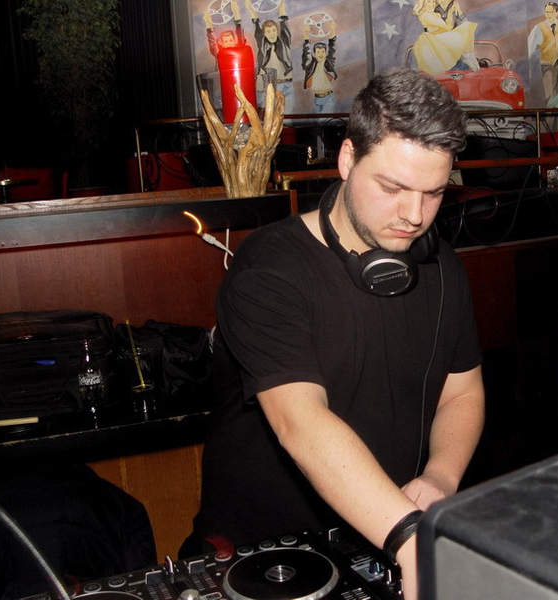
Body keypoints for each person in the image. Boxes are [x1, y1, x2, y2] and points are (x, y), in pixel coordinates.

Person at [181, 67, 485, 600]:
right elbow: (301, 421)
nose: (414, 216)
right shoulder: (268, 269)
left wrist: (440, 477)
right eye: (393, 188)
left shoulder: (441, 267)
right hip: (261, 559)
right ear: (347, 159)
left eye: (434, 193)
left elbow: (462, 393)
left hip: (385, 536)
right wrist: (410, 538)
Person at [249, 0, 295, 114]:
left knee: (288, 118)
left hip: (287, 85)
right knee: (271, 117)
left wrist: (281, 4)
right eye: (268, 31)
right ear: (264, 34)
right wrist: (250, 9)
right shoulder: (262, 45)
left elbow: (283, 22)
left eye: (274, 30)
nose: (272, 33)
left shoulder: (284, 42)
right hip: (272, 86)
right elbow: (256, 25)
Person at [411, 0, 478, 75]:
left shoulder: (453, 7)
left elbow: (463, 22)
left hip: (450, 47)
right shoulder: (425, 7)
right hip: (432, 46)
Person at [527, 2, 558, 104]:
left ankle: (557, 111)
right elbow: (531, 46)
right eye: (546, 12)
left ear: (557, 13)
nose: (548, 14)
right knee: (549, 92)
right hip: (546, 63)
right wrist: (530, 65)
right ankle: (550, 111)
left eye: (551, 12)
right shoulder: (538, 27)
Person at [302, 22, 337, 113]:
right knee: (319, 120)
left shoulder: (327, 63)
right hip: (317, 99)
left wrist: (332, 29)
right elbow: (306, 52)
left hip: (328, 98)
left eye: (322, 52)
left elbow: (332, 47)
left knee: (324, 119)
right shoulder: (311, 65)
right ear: (314, 54)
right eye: (318, 52)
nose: (320, 54)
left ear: (326, 53)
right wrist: (306, 33)